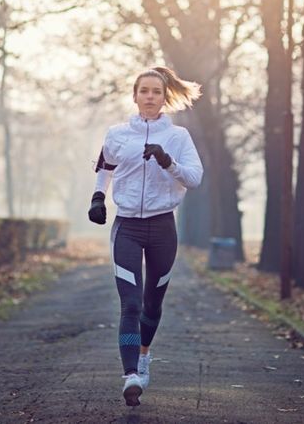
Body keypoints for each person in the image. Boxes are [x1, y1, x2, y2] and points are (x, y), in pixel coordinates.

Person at [88, 66, 204, 406]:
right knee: (131, 303)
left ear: (165, 97)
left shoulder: (179, 137)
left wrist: (167, 162)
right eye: (144, 91)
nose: (150, 97)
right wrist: (97, 198)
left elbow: (194, 178)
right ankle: (130, 376)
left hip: (163, 228)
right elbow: (104, 167)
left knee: (152, 305)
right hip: (127, 227)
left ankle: (143, 356)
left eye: (156, 91)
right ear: (135, 96)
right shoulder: (117, 134)